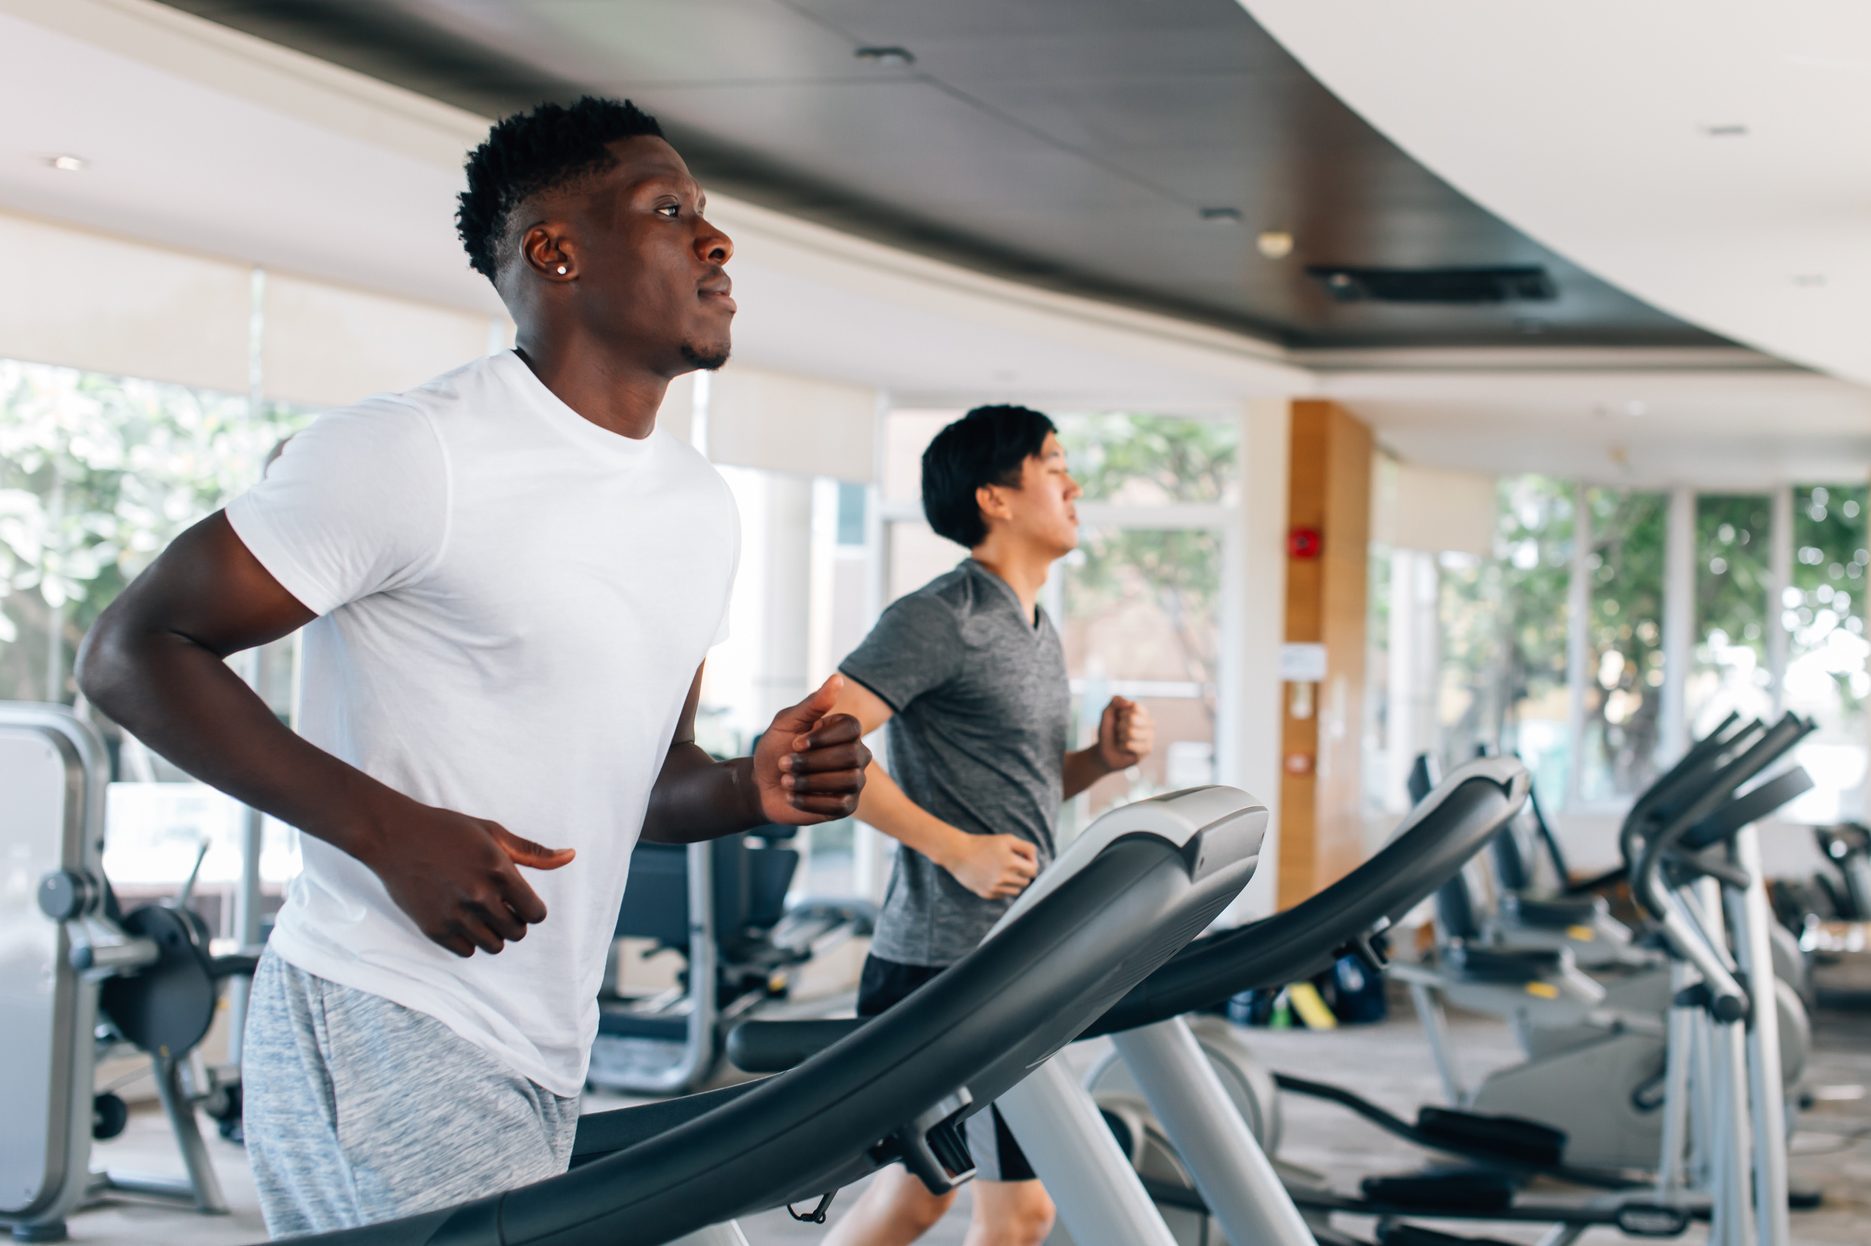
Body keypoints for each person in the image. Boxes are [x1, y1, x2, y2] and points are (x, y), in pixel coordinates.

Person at [76, 96, 869, 1238]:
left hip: (547, 1037)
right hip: (381, 1012)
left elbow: (644, 786)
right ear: (556, 250)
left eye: (707, 215)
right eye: (670, 210)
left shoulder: (700, 507)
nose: (716, 240)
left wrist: (750, 786)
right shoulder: (413, 450)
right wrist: (389, 832)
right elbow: (131, 651)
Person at [807, 405, 1155, 1246]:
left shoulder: (1033, 626)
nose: (1074, 484)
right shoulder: (942, 615)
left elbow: (1014, 786)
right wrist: (951, 848)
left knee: (930, 1197)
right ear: (994, 497)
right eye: (1052, 464)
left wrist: (1095, 765)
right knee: (1004, 1204)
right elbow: (817, 741)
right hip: (943, 962)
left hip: (1012, 950)